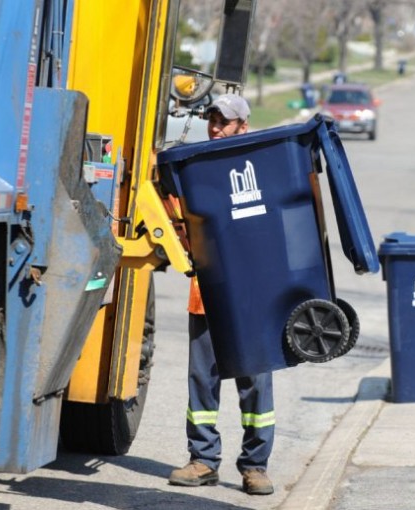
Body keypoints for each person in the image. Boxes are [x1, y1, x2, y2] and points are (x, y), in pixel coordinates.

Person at [168, 94, 276, 496]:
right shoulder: (197, 168)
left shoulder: (259, 168)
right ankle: (202, 460)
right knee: (203, 380)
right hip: (206, 294)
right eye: (212, 120)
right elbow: (178, 215)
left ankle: (255, 466)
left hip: (253, 297)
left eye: (224, 122)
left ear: (243, 126)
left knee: (255, 382)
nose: (215, 128)